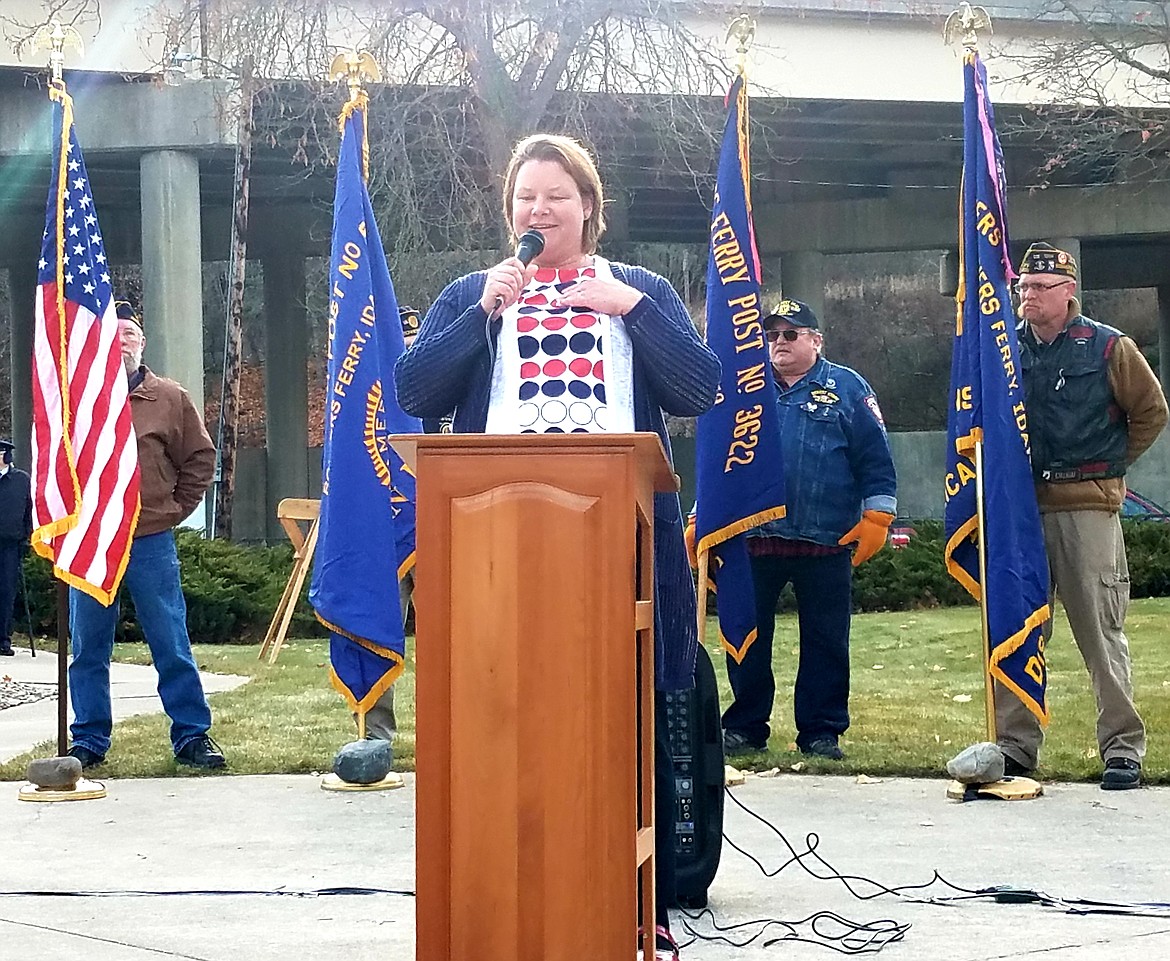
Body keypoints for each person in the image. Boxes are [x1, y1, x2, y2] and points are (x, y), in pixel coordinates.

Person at [395, 134, 720, 961]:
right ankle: (497, 889)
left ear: (589, 208)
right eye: (525, 199)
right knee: (501, 706)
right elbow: (414, 389)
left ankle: (637, 902)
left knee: (628, 708)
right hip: (496, 548)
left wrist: (632, 314)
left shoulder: (635, 287)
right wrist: (479, 317)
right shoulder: (476, 292)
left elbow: (699, 388)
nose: (538, 212)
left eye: (556, 197)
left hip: (625, 539)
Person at [998, 242, 1168, 790]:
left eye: (1040, 288)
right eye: (1023, 287)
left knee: (1101, 633)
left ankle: (1122, 750)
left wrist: (1110, 468)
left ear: (1069, 291)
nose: (1028, 296)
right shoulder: (1002, 351)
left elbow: (1151, 411)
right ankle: (1014, 747)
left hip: (1086, 508)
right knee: (1016, 632)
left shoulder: (1108, 347)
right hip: (1021, 510)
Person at [709, 300, 896, 761]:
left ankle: (821, 732)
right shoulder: (746, 391)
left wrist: (878, 517)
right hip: (756, 537)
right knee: (746, 637)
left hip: (827, 539)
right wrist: (703, 517)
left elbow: (875, 458)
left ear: (816, 341)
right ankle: (745, 727)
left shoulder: (849, 388)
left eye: (791, 335)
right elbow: (719, 461)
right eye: (772, 335)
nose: (779, 343)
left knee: (827, 641)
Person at [67, 301, 226, 770]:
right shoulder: (82, 397)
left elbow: (200, 457)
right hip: (94, 540)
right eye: (114, 335)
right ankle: (89, 740)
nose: (123, 342)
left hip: (149, 540)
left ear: (143, 343)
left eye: (130, 335)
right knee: (88, 646)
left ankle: (192, 736)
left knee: (170, 640)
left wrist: (175, 508)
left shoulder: (170, 398)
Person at [363, 305, 424, 741]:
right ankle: (375, 736)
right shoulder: (372, 399)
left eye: (413, 339)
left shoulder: (445, 386)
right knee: (376, 633)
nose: (406, 346)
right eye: (399, 339)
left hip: (448, 526)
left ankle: (459, 734)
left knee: (463, 641)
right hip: (387, 530)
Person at [0, 438, 33, 657]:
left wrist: (26, 538)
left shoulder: (21, 480)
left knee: (6, 592)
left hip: (10, 545)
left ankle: (3, 639)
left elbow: (29, 511)